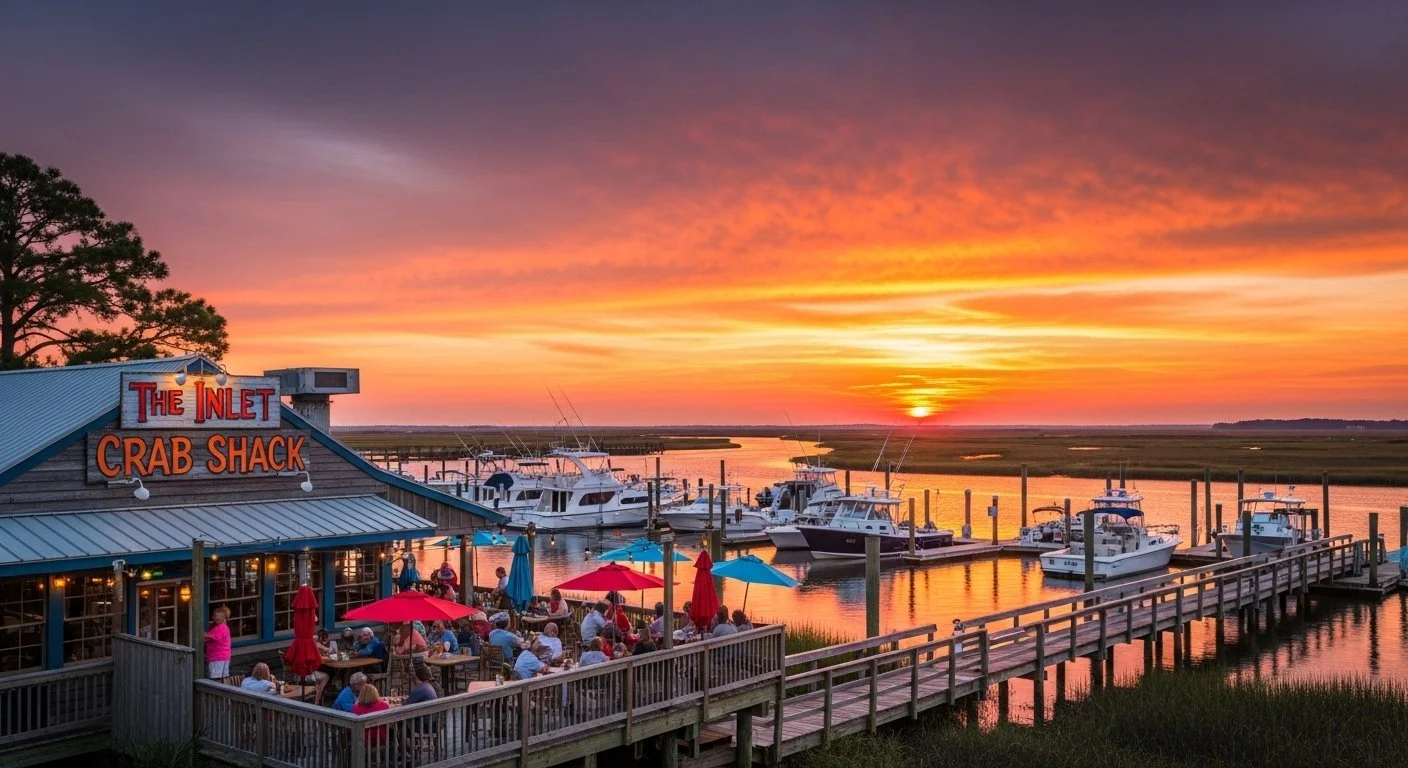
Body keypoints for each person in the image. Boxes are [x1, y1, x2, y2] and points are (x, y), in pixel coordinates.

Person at [204, 607, 232, 679]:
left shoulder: (221, 627)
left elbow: (215, 636)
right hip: (223, 656)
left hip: (218, 657)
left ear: (223, 618)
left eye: (217, 617)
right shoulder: (220, 627)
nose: (215, 618)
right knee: (223, 678)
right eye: (214, 617)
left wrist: (203, 635)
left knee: (215, 678)